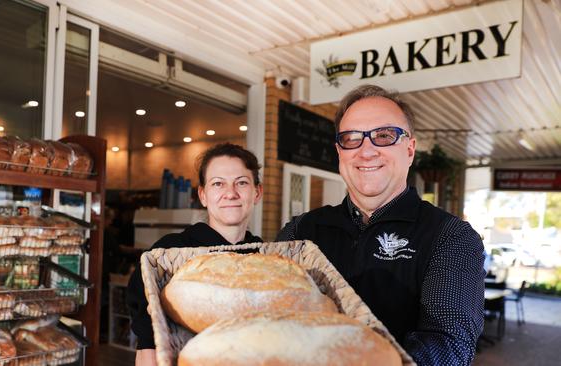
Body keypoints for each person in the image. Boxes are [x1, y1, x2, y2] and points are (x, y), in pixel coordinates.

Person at [277, 85, 485, 365]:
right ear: (339, 152)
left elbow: (449, 344)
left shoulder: (449, 237)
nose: (367, 151)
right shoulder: (300, 231)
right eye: (352, 138)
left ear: (410, 150)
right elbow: (272, 313)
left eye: (384, 136)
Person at [126, 143, 263, 366]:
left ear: (257, 192)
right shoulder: (169, 253)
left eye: (242, 183)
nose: (230, 193)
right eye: (218, 184)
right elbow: (147, 338)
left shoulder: (266, 258)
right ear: (203, 195)